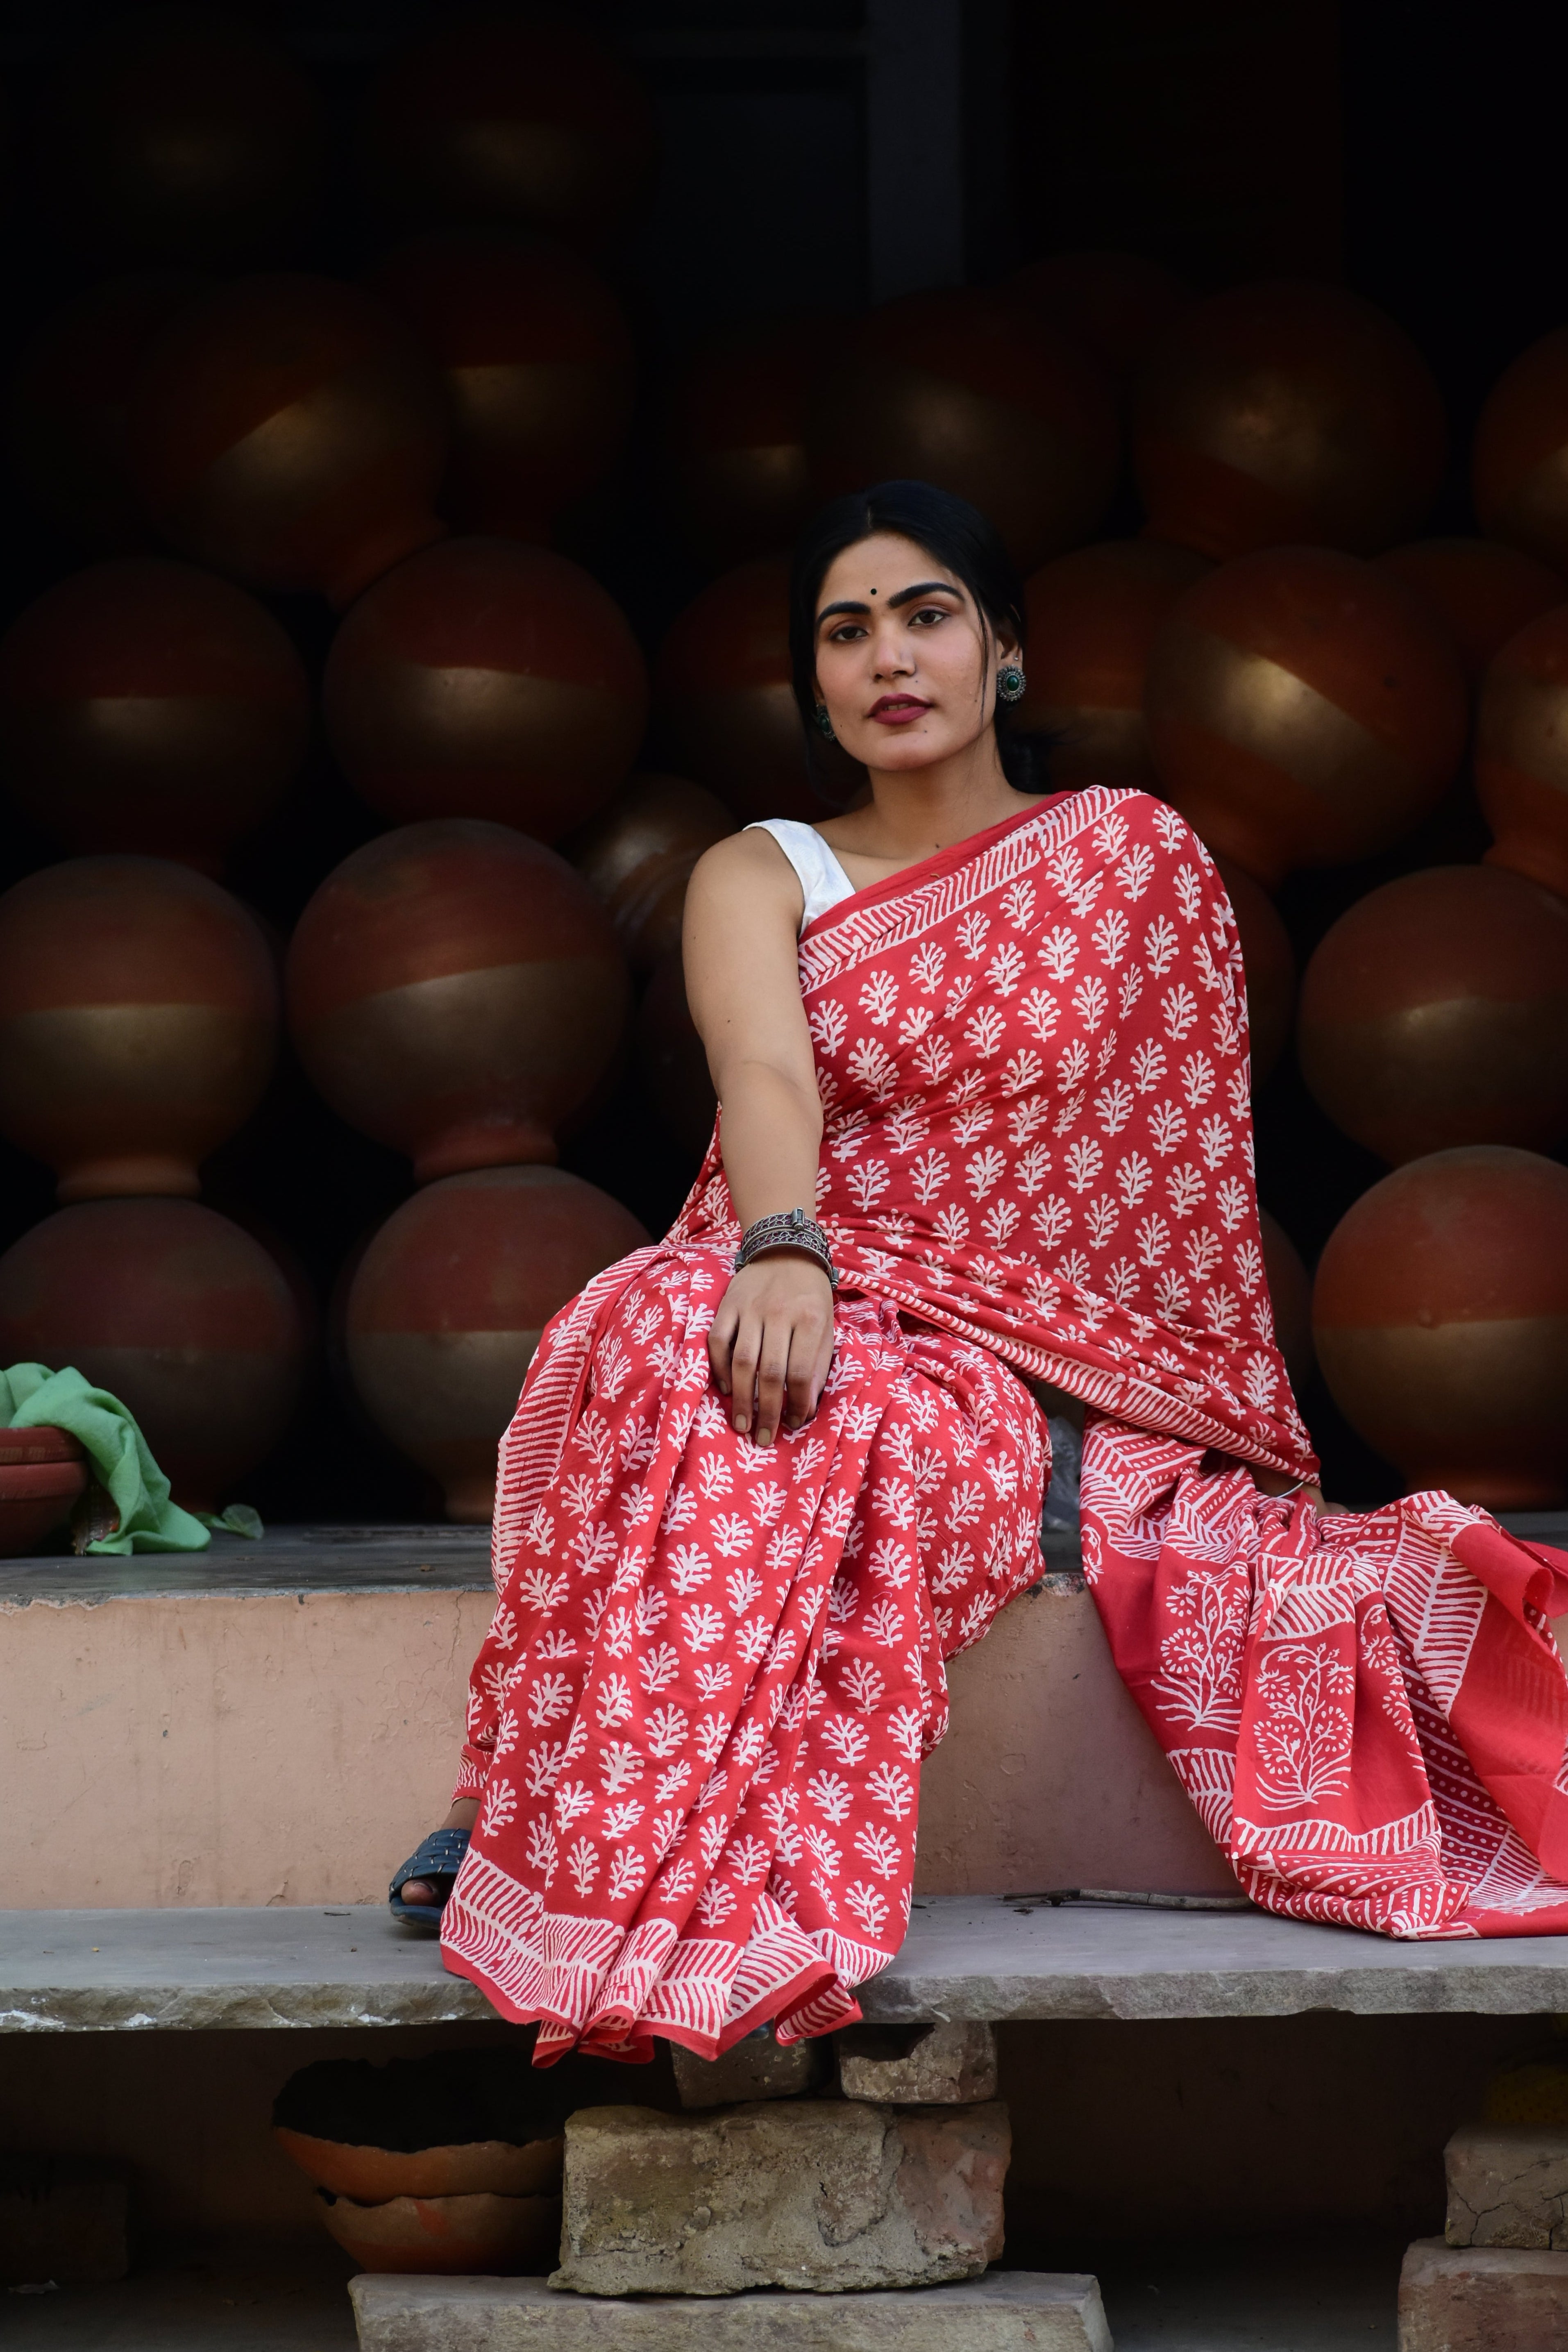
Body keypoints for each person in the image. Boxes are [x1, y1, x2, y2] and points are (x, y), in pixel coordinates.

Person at [392, 479, 1568, 2066]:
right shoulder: (765, 868)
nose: (892, 656)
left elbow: (1169, 1180)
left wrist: (976, 1328)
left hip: (1057, 1377)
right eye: (846, 629)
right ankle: (581, 1821)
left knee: (774, 1382)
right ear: (813, 680)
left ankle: (612, 1833)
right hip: (810, 1278)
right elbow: (768, 1079)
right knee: (663, 1320)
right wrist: (787, 1244)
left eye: (928, 613)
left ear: (1005, 652)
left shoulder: (1128, 856)